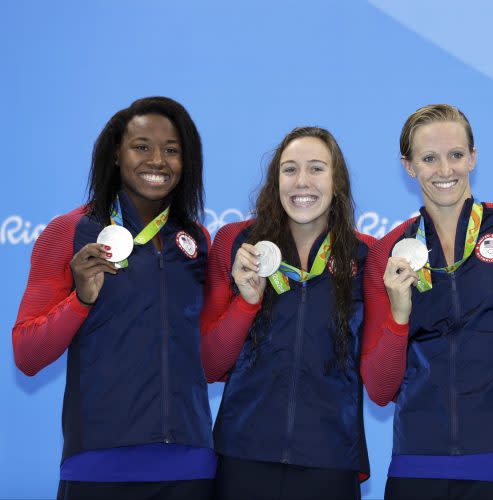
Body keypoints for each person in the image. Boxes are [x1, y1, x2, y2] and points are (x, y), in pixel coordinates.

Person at [12, 97, 215, 500]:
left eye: (172, 150)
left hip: (191, 468)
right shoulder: (68, 231)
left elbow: (209, 354)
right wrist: (80, 301)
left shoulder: (197, 240)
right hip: (98, 468)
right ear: (116, 156)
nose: (157, 160)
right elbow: (27, 355)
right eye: (141, 146)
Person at [362, 104, 493, 500]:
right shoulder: (387, 252)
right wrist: (399, 316)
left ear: (473, 157)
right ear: (409, 166)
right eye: (429, 158)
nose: (445, 170)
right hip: (417, 464)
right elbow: (380, 388)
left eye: (456, 155)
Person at [200, 126, 373, 500]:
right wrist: (246, 302)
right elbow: (211, 365)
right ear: (275, 180)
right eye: (290, 169)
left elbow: (381, 372)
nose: (302, 182)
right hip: (243, 455)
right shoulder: (236, 243)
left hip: (330, 460)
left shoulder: (367, 257)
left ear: (337, 181)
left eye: (316, 168)